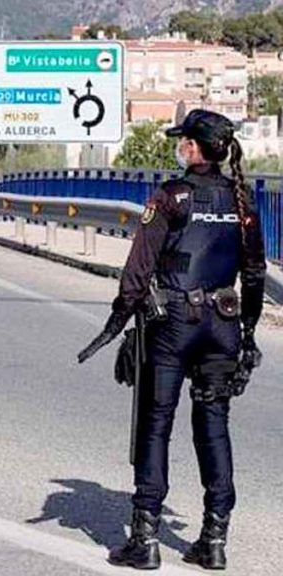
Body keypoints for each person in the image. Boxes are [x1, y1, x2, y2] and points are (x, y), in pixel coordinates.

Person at [78, 110, 266, 571]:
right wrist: (248, 334)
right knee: (214, 426)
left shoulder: (170, 197)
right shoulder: (241, 201)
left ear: (194, 148)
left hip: (173, 325)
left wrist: (117, 322)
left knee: (156, 423)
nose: (179, 146)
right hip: (223, 323)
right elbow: (256, 274)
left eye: (183, 140)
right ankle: (214, 538)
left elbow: (138, 271)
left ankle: (145, 538)